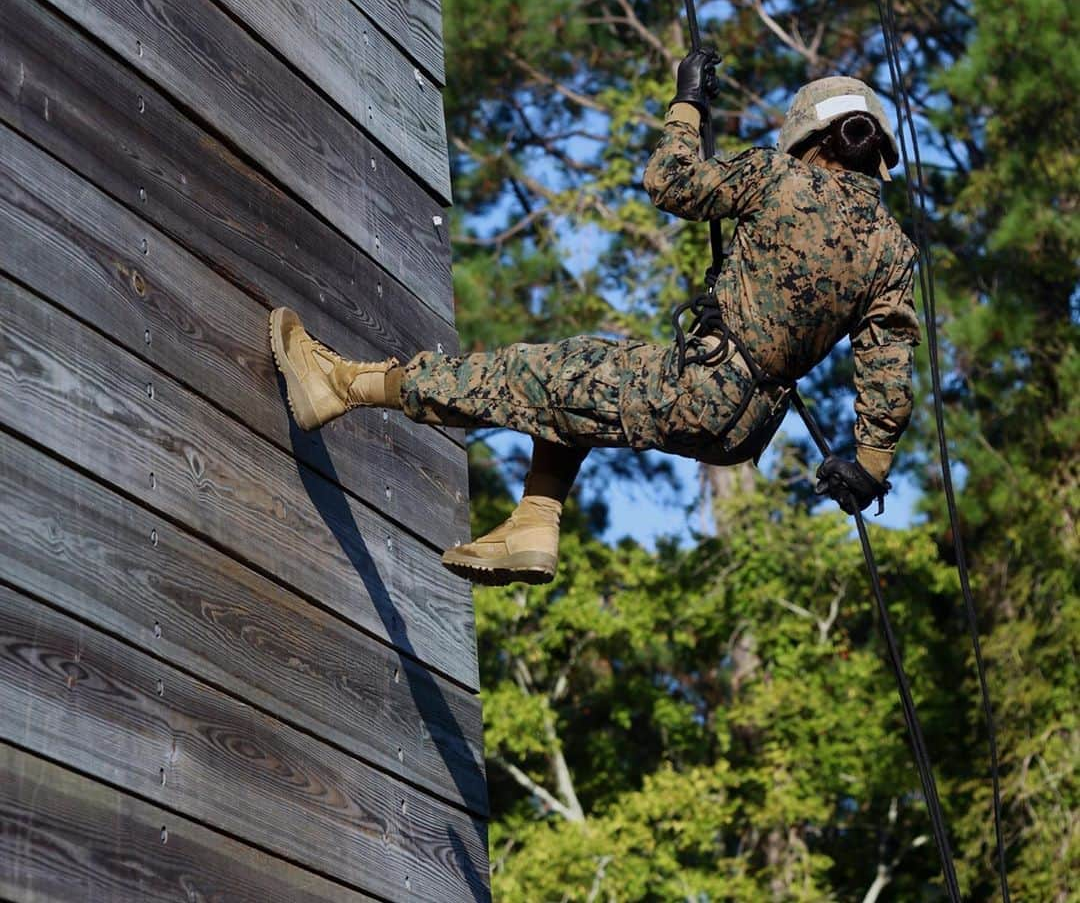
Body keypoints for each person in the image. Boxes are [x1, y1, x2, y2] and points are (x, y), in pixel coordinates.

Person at [270, 50, 920, 586]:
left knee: (528, 375)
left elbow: (670, 181)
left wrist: (688, 103)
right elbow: (887, 365)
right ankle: (534, 522)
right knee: (581, 381)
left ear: (805, 139)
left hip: (699, 389)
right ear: (877, 151)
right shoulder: (891, 249)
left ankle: (343, 387)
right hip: (746, 429)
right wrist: (869, 466)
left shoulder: (777, 175)